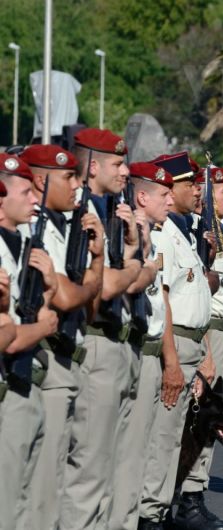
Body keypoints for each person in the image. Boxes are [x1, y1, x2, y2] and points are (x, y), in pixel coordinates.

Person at [62, 128, 147, 530]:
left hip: (119, 341)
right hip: (96, 343)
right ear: (93, 166)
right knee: (90, 472)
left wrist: (131, 251)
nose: (125, 171)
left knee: (115, 466)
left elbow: (130, 277)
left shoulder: (110, 209)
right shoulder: (83, 213)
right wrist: (134, 263)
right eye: (117, 163)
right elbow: (109, 285)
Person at [21, 144, 105, 530]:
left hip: (67, 355)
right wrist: (88, 279)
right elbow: (70, 296)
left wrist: (97, 259)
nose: (75, 185)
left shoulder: (62, 226)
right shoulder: (34, 229)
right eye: (68, 177)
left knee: (61, 471)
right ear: (40, 180)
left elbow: (85, 301)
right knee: (43, 481)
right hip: (46, 360)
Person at [138, 152, 216, 529]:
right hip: (176, 347)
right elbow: (164, 302)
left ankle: (164, 509)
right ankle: (152, 514)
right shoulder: (162, 235)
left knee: (175, 436)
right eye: (187, 184)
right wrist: (172, 361)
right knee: (164, 437)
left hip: (191, 345)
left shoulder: (181, 231)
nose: (192, 192)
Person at [107, 162, 173, 530]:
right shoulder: (130, 228)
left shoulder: (158, 231)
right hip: (129, 345)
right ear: (142, 196)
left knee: (141, 447)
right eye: (164, 194)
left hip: (142, 347)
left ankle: (138, 518)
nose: (171, 200)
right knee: (122, 452)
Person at [176, 166, 223, 530]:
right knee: (202, 418)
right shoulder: (199, 229)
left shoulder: (214, 228)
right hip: (206, 330)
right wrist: (207, 352)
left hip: (215, 327)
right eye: (222, 189)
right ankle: (189, 500)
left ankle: (190, 497)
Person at [0, 154, 58, 528]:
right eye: (25, 191)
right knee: (9, 502)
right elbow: (9, 335)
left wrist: (49, 288)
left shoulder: (18, 243)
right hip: (11, 381)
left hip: (26, 379)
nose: (35, 198)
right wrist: (43, 327)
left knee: (29, 502)